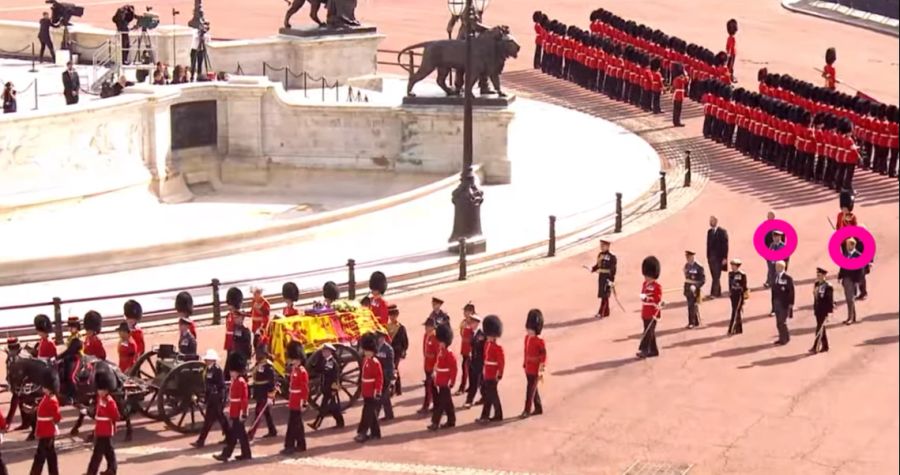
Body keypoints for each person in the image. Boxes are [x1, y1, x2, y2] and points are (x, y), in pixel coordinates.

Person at [214, 353, 251, 463]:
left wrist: (243, 413)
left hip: (238, 412)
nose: (231, 373)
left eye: (232, 371)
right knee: (240, 435)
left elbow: (244, 399)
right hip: (234, 411)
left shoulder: (241, 382)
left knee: (234, 435)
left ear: (237, 371)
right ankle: (246, 454)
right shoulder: (235, 381)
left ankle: (226, 454)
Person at [192, 349, 228, 448]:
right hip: (211, 398)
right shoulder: (208, 369)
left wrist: (219, 397)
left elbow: (221, 385)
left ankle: (200, 441)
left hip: (217, 399)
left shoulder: (217, 370)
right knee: (220, 419)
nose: (206, 361)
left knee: (210, 420)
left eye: (208, 359)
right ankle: (230, 437)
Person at [86, 372, 118, 475]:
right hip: (100, 429)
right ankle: (112, 470)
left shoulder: (110, 401)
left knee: (97, 453)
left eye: (102, 390)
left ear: (107, 390)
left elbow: (115, 415)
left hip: (106, 430)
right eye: (99, 390)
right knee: (109, 452)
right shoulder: (100, 399)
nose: (100, 392)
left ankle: (91, 472)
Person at [30, 373, 61, 475]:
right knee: (50, 455)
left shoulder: (52, 400)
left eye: (45, 387)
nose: (43, 388)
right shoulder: (47, 397)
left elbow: (57, 417)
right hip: (45, 430)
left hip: (47, 431)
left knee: (40, 455)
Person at [308, 344, 344, 430]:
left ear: (329, 352)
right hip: (326, 387)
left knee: (323, 408)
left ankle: (316, 424)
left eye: (324, 351)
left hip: (330, 388)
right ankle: (340, 422)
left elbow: (334, 377)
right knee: (334, 407)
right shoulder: (325, 361)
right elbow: (320, 370)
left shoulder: (331, 362)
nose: (323, 353)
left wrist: (334, 390)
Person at [428, 323, 457, 430]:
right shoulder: (441, 352)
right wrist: (435, 377)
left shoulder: (449, 354)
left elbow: (453, 369)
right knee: (448, 403)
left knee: (440, 404)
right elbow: (438, 366)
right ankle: (451, 421)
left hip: (445, 382)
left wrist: (452, 381)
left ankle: (435, 422)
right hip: (441, 381)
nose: (439, 344)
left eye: (440, 342)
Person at [355, 333, 383, 443]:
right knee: (371, 413)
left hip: (372, 391)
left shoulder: (375, 362)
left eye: (368, 351)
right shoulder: (365, 360)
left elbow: (379, 378)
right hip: (366, 390)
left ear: (373, 351)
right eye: (366, 350)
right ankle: (376, 433)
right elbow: (363, 376)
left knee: (367, 413)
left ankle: (363, 432)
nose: (366, 353)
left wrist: (377, 391)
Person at [477, 315, 504, 423]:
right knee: (488, 396)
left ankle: (498, 414)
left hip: (493, 374)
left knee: (493, 396)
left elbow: (501, 363)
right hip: (487, 372)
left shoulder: (497, 348)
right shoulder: (487, 344)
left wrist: (499, 373)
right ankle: (485, 416)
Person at [282, 341, 308, 455]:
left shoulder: (302, 371)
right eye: (293, 359)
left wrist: (304, 402)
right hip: (293, 400)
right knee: (295, 423)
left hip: (298, 400)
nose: (293, 361)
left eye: (295, 359)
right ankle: (298, 444)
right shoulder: (294, 370)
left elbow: (305, 388)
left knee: (295, 424)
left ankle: (292, 445)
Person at [248, 346, 277, 439]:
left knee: (258, 412)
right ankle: (272, 430)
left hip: (264, 392)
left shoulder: (268, 366)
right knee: (266, 413)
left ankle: (251, 433)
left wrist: (270, 395)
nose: (257, 356)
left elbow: (271, 381)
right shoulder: (259, 364)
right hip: (259, 391)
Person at [522, 309, 546, 418]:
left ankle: (527, 410)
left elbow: (543, 356)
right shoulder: (526, 338)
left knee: (530, 391)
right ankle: (538, 407)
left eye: (531, 329)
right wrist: (524, 363)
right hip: (528, 367)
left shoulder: (539, 341)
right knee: (533, 389)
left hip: (535, 369)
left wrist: (541, 368)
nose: (529, 331)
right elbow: (525, 352)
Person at [638, 256, 663, 358]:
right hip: (645, 311)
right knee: (650, 332)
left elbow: (657, 299)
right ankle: (654, 350)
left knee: (647, 332)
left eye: (648, 276)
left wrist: (647, 298)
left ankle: (644, 350)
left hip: (653, 313)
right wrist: (643, 297)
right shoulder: (644, 284)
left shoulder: (657, 286)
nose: (646, 277)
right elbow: (643, 294)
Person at [57, 316, 83, 404]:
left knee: (71, 377)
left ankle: (74, 396)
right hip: (69, 358)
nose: (70, 328)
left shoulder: (77, 337)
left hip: (76, 358)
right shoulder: (71, 337)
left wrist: (59, 356)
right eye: (70, 326)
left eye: (73, 326)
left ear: (77, 327)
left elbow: (71, 350)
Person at [838, 238, 864, 326]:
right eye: (847, 245)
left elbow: (861, 271)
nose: (847, 246)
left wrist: (857, 281)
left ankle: (850, 317)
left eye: (849, 245)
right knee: (848, 299)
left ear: (853, 245)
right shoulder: (845, 254)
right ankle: (853, 316)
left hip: (852, 279)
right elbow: (842, 267)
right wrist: (840, 276)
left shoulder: (858, 255)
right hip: (845, 279)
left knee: (850, 299)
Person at [590, 239, 618, 318]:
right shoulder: (600, 255)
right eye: (601, 245)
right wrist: (593, 269)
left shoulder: (612, 256)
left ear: (608, 246)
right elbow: (598, 265)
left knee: (605, 295)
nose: (601, 247)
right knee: (603, 294)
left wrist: (611, 280)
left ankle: (601, 312)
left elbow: (613, 269)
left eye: (603, 245)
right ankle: (606, 312)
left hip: (607, 277)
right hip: (601, 277)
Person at [418, 318, 440, 415]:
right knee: (431, 387)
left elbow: (438, 353)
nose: (426, 328)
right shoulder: (426, 336)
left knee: (429, 387)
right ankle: (436, 405)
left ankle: (426, 405)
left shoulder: (435, 338)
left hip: (432, 366)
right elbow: (424, 350)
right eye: (426, 326)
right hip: (427, 365)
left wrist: (435, 366)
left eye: (428, 326)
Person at [386, 304, 408, 396]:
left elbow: (405, 341)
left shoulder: (401, 327)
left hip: (397, 351)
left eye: (394, 315)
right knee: (394, 369)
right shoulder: (387, 327)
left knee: (394, 368)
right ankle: (397, 389)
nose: (392, 317)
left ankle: (393, 389)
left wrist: (404, 350)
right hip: (390, 351)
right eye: (391, 315)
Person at [771, 260, 795, 345]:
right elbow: (773, 291)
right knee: (778, 323)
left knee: (782, 322)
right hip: (776, 302)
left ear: (782, 267)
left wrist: (791, 304)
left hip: (784, 304)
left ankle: (784, 339)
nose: (776, 268)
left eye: (778, 267)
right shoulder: (775, 277)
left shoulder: (788, 278)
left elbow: (791, 292)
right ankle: (783, 337)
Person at [465, 314, 486, 408]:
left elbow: (484, 349)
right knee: (480, 381)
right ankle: (485, 397)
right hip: (472, 361)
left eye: (473, 322)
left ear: (477, 323)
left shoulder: (481, 335)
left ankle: (469, 400)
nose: (471, 324)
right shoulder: (472, 333)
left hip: (479, 362)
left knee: (474, 382)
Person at [811, 267, 834, 354]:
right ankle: (825, 346)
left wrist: (829, 312)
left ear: (824, 276)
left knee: (819, 329)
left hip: (824, 311)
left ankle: (815, 347)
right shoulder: (816, 284)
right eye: (817, 275)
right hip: (817, 310)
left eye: (820, 275)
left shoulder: (828, 286)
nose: (818, 277)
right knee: (822, 328)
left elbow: (830, 300)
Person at [706, 216, 729, 298]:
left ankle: (714, 293)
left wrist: (725, 258)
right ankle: (718, 292)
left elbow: (725, 246)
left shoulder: (722, 232)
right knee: (714, 275)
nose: (710, 222)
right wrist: (708, 256)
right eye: (710, 221)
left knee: (716, 275)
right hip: (711, 258)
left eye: (712, 221)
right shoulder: (709, 232)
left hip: (719, 258)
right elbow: (708, 245)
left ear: (716, 221)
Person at [456, 303, 477, 395]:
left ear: (471, 312)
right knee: (467, 368)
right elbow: (461, 333)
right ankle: (470, 386)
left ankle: (463, 387)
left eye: (466, 311)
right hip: (464, 348)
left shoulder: (474, 323)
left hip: (471, 350)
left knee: (467, 369)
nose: (464, 313)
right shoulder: (463, 322)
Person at [375, 331, 395, 421]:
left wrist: (390, 376)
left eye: (381, 337)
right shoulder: (376, 348)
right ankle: (389, 414)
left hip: (385, 375)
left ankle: (376, 414)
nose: (380, 339)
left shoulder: (388, 349)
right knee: (384, 396)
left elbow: (390, 364)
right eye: (379, 338)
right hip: (378, 374)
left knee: (382, 395)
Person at [683, 250, 706, 329]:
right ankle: (695, 321)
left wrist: (696, 286)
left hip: (695, 288)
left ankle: (691, 322)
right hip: (688, 288)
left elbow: (703, 280)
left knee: (691, 305)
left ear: (692, 257)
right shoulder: (686, 266)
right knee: (691, 305)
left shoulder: (699, 267)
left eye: (689, 257)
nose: (687, 259)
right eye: (687, 257)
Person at [727, 259, 749, 336]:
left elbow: (745, 286)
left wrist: (744, 296)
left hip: (739, 294)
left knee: (735, 311)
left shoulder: (742, 274)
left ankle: (731, 328)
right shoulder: (730, 274)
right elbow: (729, 284)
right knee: (737, 311)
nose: (732, 267)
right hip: (733, 294)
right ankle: (739, 329)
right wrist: (730, 292)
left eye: (734, 265)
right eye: (732, 265)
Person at [224, 287, 244, 357]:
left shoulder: (237, 315)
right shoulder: (229, 315)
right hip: (229, 343)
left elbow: (238, 332)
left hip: (235, 344)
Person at [671, 62, 688, 127]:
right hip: (679, 95)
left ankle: (675, 121)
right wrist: (686, 74)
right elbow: (686, 81)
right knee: (678, 109)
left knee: (676, 109)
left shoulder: (676, 78)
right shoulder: (679, 78)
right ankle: (677, 122)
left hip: (677, 95)